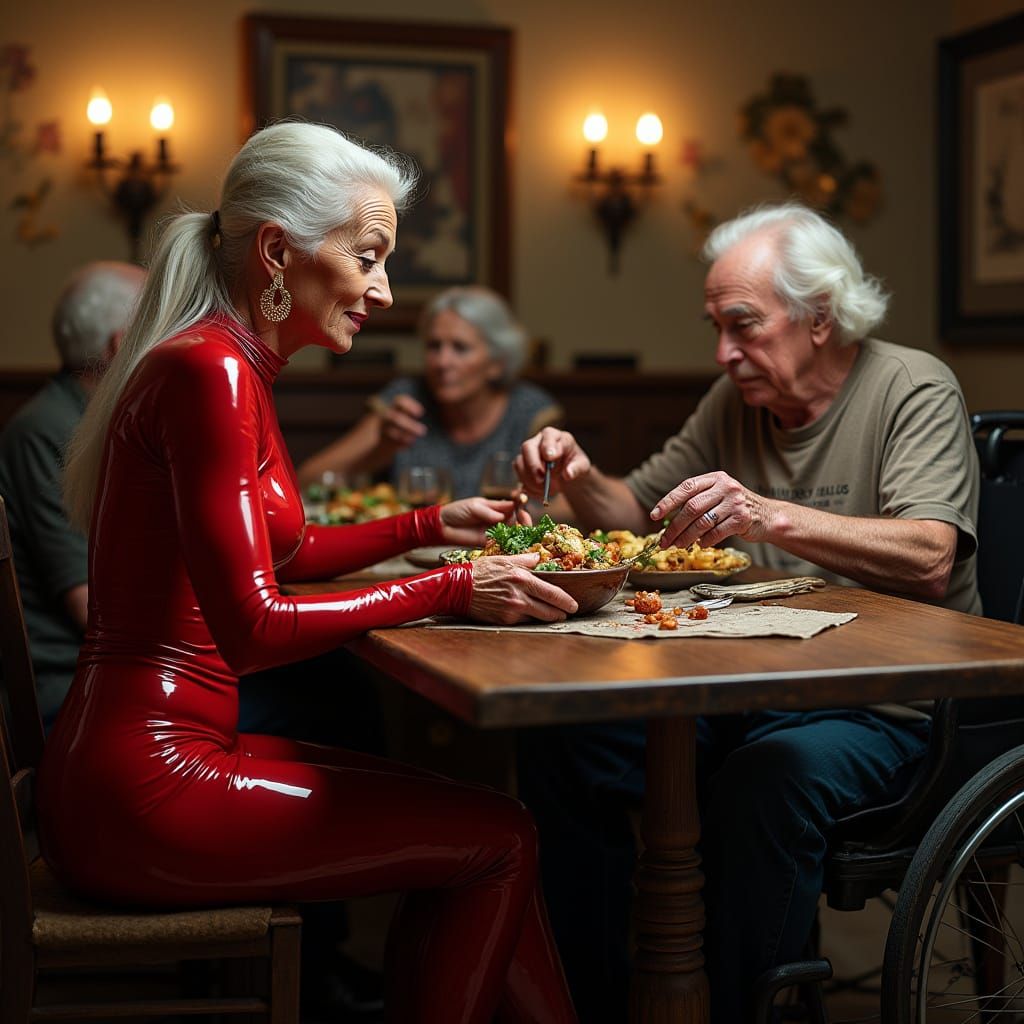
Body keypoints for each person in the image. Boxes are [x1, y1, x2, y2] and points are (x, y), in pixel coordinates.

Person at [37, 121, 579, 1024]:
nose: (384, 288)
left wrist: (431, 525)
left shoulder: (228, 360)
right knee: (502, 837)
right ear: (279, 252)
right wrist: (448, 586)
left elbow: (283, 554)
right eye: (368, 257)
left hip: (150, 763)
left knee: (484, 821)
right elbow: (254, 627)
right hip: (144, 789)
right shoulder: (210, 371)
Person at [514, 201, 981, 1023]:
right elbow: (633, 512)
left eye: (744, 326)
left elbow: (932, 556)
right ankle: (590, 1001)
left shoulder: (911, 385)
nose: (724, 354)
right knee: (568, 740)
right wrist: (581, 473)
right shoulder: (735, 401)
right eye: (717, 328)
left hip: (886, 706)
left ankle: (740, 1010)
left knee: (766, 781)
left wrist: (768, 514)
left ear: (820, 318)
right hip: (747, 688)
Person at [0, 261, 144, 731]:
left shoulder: (94, 423)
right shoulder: (49, 430)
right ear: (122, 346)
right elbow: (93, 607)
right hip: (75, 693)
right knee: (326, 702)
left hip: (115, 675)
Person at [297, 285, 562, 499]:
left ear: (496, 363)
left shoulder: (529, 410)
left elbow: (565, 504)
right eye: (434, 346)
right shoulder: (406, 401)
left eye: (460, 348)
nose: (442, 362)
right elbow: (308, 480)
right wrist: (380, 449)